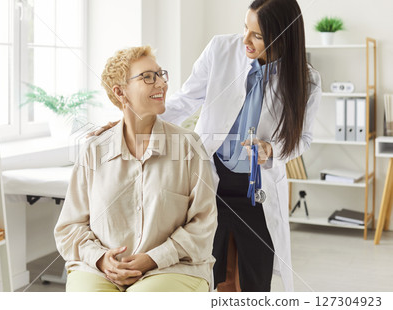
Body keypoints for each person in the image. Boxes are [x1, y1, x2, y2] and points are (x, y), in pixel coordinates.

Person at [90, 0, 321, 292]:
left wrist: (271, 150)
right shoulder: (221, 49)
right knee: (211, 270)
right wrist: (131, 120)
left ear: (281, 37)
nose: (245, 41)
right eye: (245, 29)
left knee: (256, 277)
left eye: (257, 36)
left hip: (258, 189)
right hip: (211, 179)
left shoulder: (306, 80)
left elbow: (303, 140)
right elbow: (186, 99)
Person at [54, 46, 217, 292]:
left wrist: (153, 258)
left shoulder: (188, 146)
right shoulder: (94, 150)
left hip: (173, 267)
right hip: (99, 271)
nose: (161, 83)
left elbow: (203, 224)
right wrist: (100, 258)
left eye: (161, 74)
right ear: (120, 92)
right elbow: (70, 227)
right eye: (148, 77)